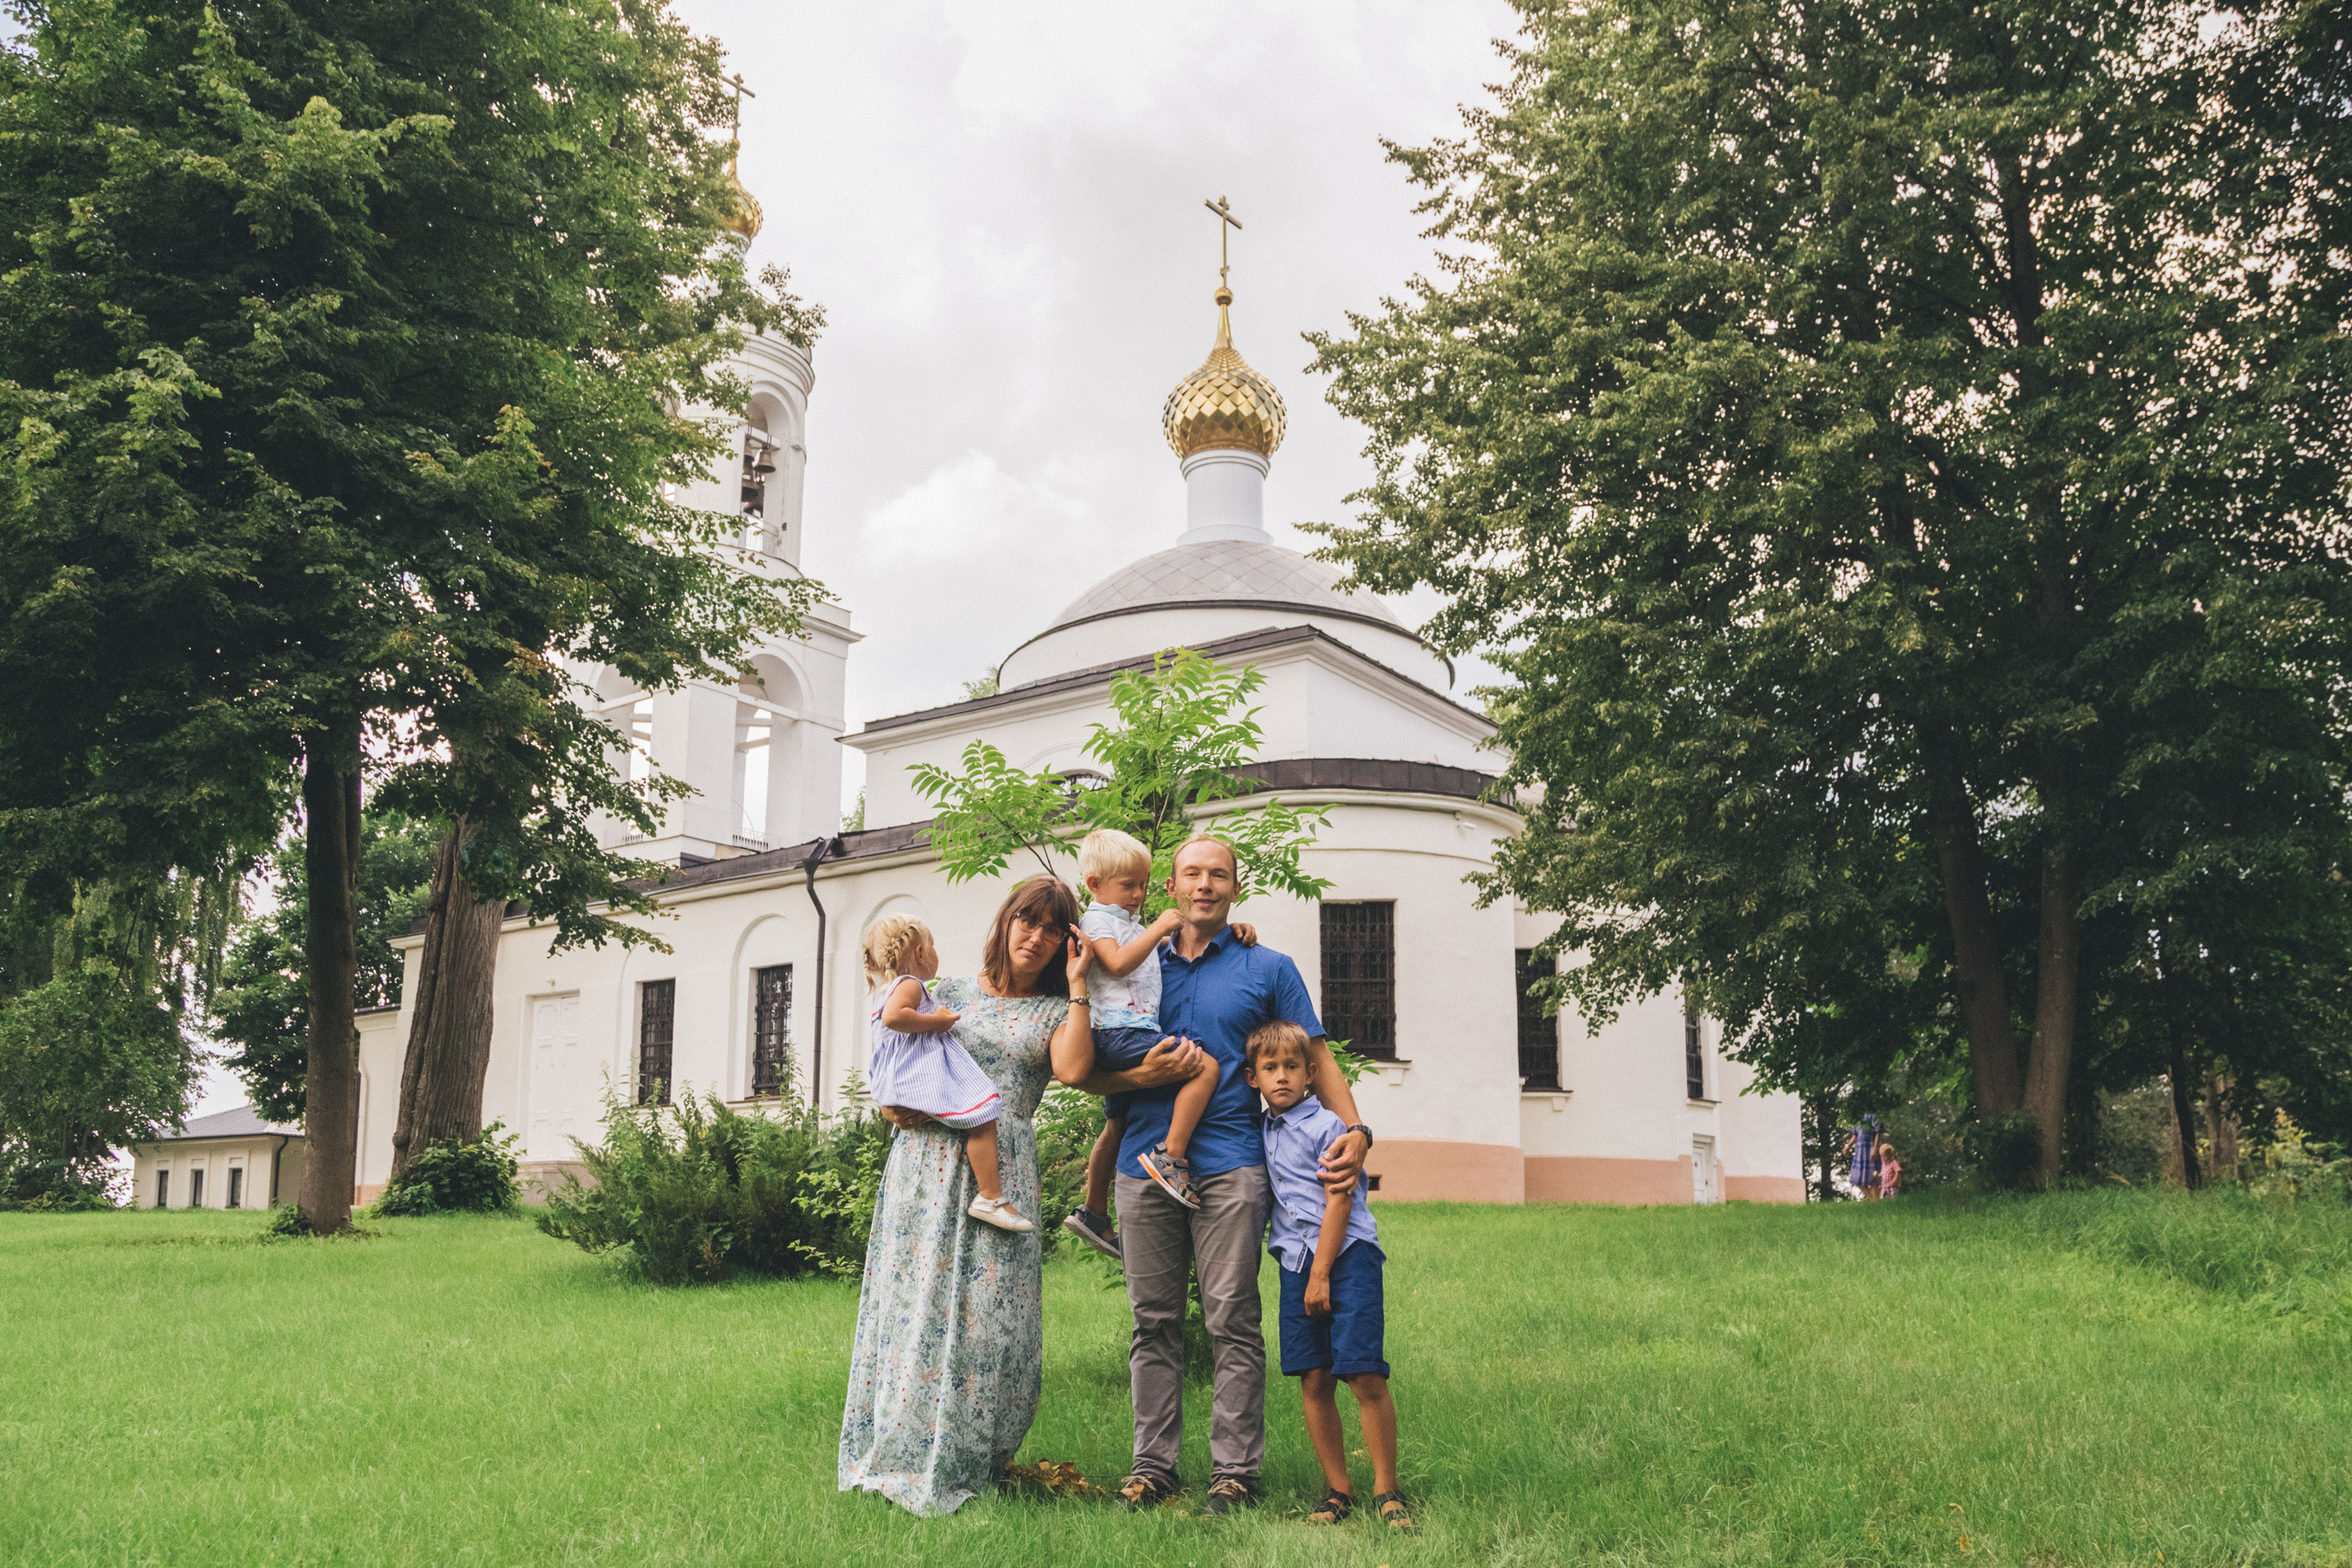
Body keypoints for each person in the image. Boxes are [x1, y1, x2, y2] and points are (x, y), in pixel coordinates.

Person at [1074, 833, 1370, 1516]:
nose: (1204, 884)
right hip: (1141, 1165)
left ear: (1236, 887)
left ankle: (1235, 1471)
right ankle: (1154, 1466)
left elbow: (1317, 1056)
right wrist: (1136, 1075)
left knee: (1232, 1317)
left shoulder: (1267, 966)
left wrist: (1356, 1129)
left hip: (1234, 1165)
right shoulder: (1137, 964)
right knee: (1153, 1322)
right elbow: (1080, 1064)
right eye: (1191, 874)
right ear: (1170, 888)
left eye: (1218, 875)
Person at [837, 876, 1102, 1517]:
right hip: (926, 1164)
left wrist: (1079, 984)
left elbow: (1073, 1068)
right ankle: (901, 1447)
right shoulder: (945, 990)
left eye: (1051, 929)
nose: (1034, 937)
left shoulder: (1054, 1011)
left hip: (1000, 1166)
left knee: (990, 1317)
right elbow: (893, 1051)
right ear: (1005, 921)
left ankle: (970, 1455)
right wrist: (890, 1105)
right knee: (915, 1306)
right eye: (1025, 921)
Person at [1248, 1019, 1412, 1533]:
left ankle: (1387, 1489)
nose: (1281, 1077)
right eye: (1269, 1068)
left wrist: (1321, 1274)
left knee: (1362, 1372)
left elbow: (1337, 1196)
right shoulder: (1261, 1130)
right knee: (1313, 1377)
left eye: (1291, 1067)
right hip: (1295, 1262)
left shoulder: (1329, 1128)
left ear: (1311, 1074)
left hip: (1346, 1258)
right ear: (1253, 1078)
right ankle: (1338, 1487)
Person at [1063, 828, 1241, 1258]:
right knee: (1206, 1067)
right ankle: (1172, 1155)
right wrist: (1162, 923)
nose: (1139, 894)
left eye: (1142, 884)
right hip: (1120, 1031)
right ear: (1094, 885)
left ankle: (1092, 1210)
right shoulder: (1097, 921)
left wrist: (1231, 932)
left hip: (1121, 1033)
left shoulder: (1124, 922)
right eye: (1129, 885)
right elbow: (1121, 963)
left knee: (1117, 1123)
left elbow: (1171, 942)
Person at [861, 914, 1030, 1233]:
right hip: (913, 1074)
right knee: (983, 1111)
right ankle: (990, 1197)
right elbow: (894, 1018)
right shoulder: (909, 984)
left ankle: (988, 1196)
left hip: (895, 1076)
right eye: (934, 946)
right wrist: (937, 1022)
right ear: (922, 953)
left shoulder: (888, 988)